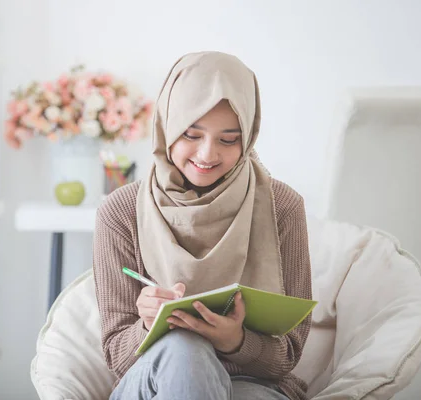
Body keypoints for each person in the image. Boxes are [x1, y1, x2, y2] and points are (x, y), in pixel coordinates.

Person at [92, 51, 313, 400]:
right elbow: (117, 356)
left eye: (228, 139)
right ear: (167, 127)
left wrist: (235, 341)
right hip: (154, 382)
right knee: (184, 349)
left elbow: (287, 355)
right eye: (191, 134)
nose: (207, 154)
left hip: (251, 386)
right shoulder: (121, 210)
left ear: (249, 135)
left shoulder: (281, 207)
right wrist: (148, 324)